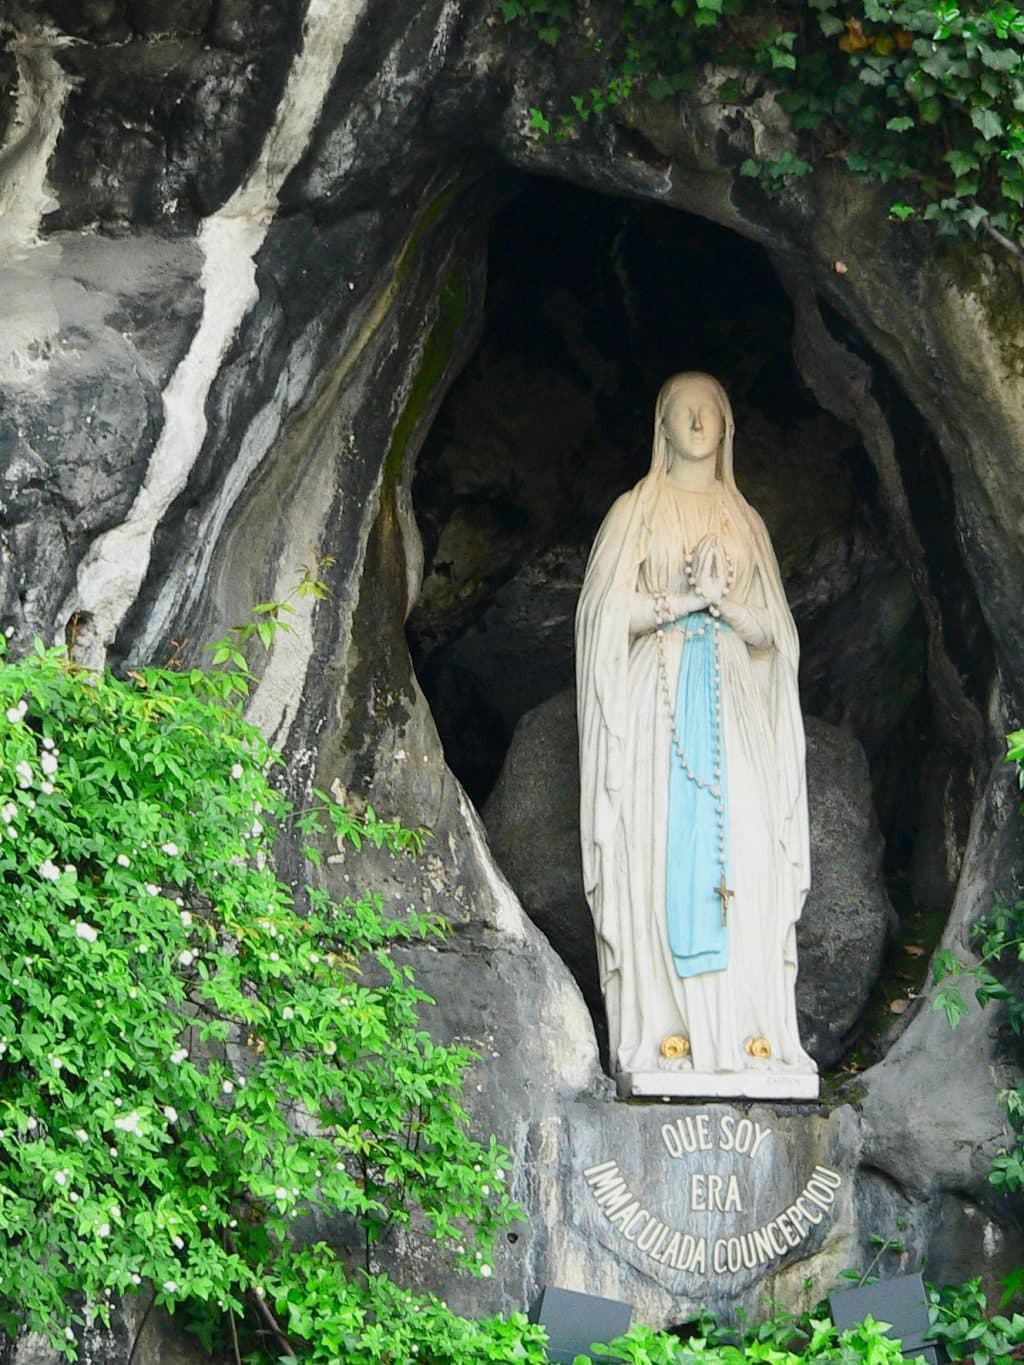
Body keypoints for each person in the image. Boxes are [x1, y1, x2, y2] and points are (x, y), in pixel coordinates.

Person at [575, 372, 816, 1090]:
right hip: (657, 707)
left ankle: (751, 1032)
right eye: (684, 410)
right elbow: (601, 617)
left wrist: (727, 608)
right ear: (662, 427)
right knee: (657, 848)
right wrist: (680, 602)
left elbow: (777, 634)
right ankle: (666, 1030)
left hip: (735, 703)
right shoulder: (635, 513)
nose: (698, 421)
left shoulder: (746, 522)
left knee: (749, 848)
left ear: (728, 425)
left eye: (710, 409)